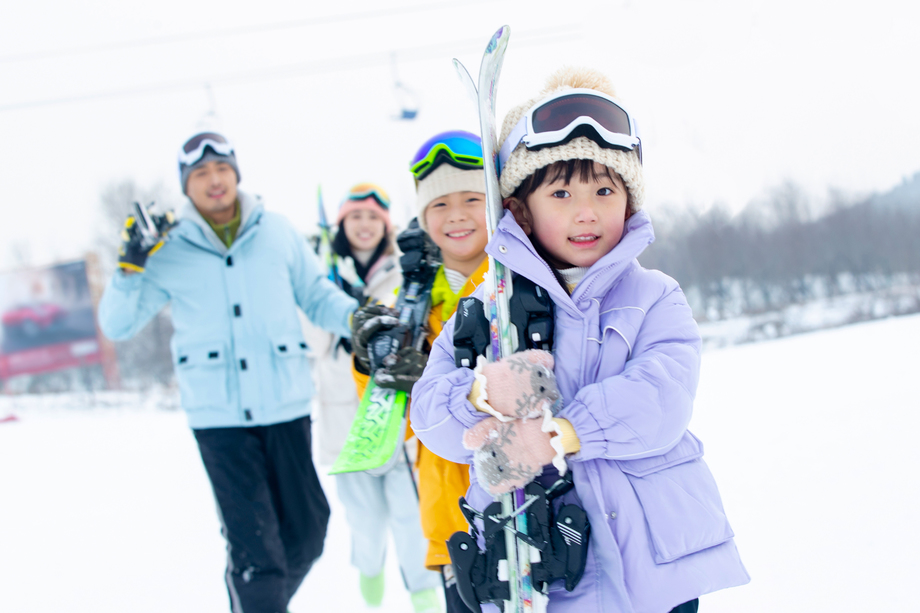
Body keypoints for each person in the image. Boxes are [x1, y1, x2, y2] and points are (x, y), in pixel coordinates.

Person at [410, 68, 750, 612]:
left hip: (647, 572)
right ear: (521, 210)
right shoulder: (487, 308)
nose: (586, 211)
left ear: (629, 201)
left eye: (605, 190)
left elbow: (661, 400)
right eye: (562, 192)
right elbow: (428, 417)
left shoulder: (653, 297)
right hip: (541, 569)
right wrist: (479, 393)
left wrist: (561, 434)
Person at [97, 131, 358, 613]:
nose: (214, 179)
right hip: (220, 421)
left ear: (236, 173)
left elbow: (317, 296)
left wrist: (361, 320)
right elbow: (117, 324)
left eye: (221, 168)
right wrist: (129, 268)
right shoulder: (169, 247)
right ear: (186, 185)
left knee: (308, 533)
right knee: (257, 555)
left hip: (285, 407)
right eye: (200, 173)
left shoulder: (276, 231)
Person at [350, 130, 490, 613]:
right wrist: (370, 364)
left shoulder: (520, 278)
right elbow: (394, 425)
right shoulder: (411, 302)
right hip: (452, 518)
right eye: (439, 205)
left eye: (471, 199)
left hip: (525, 505)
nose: (456, 215)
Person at [304, 183, 441, 611]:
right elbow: (313, 345)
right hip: (346, 425)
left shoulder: (404, 272)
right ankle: (370, 571)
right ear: (341, 225)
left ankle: (423, 592)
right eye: (355, 217)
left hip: (396, 419)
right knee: (364, 520)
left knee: (410, 515)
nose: (364, 226)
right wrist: (337, 302)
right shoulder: (323, 275)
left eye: (372, 218)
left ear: (385, 226)